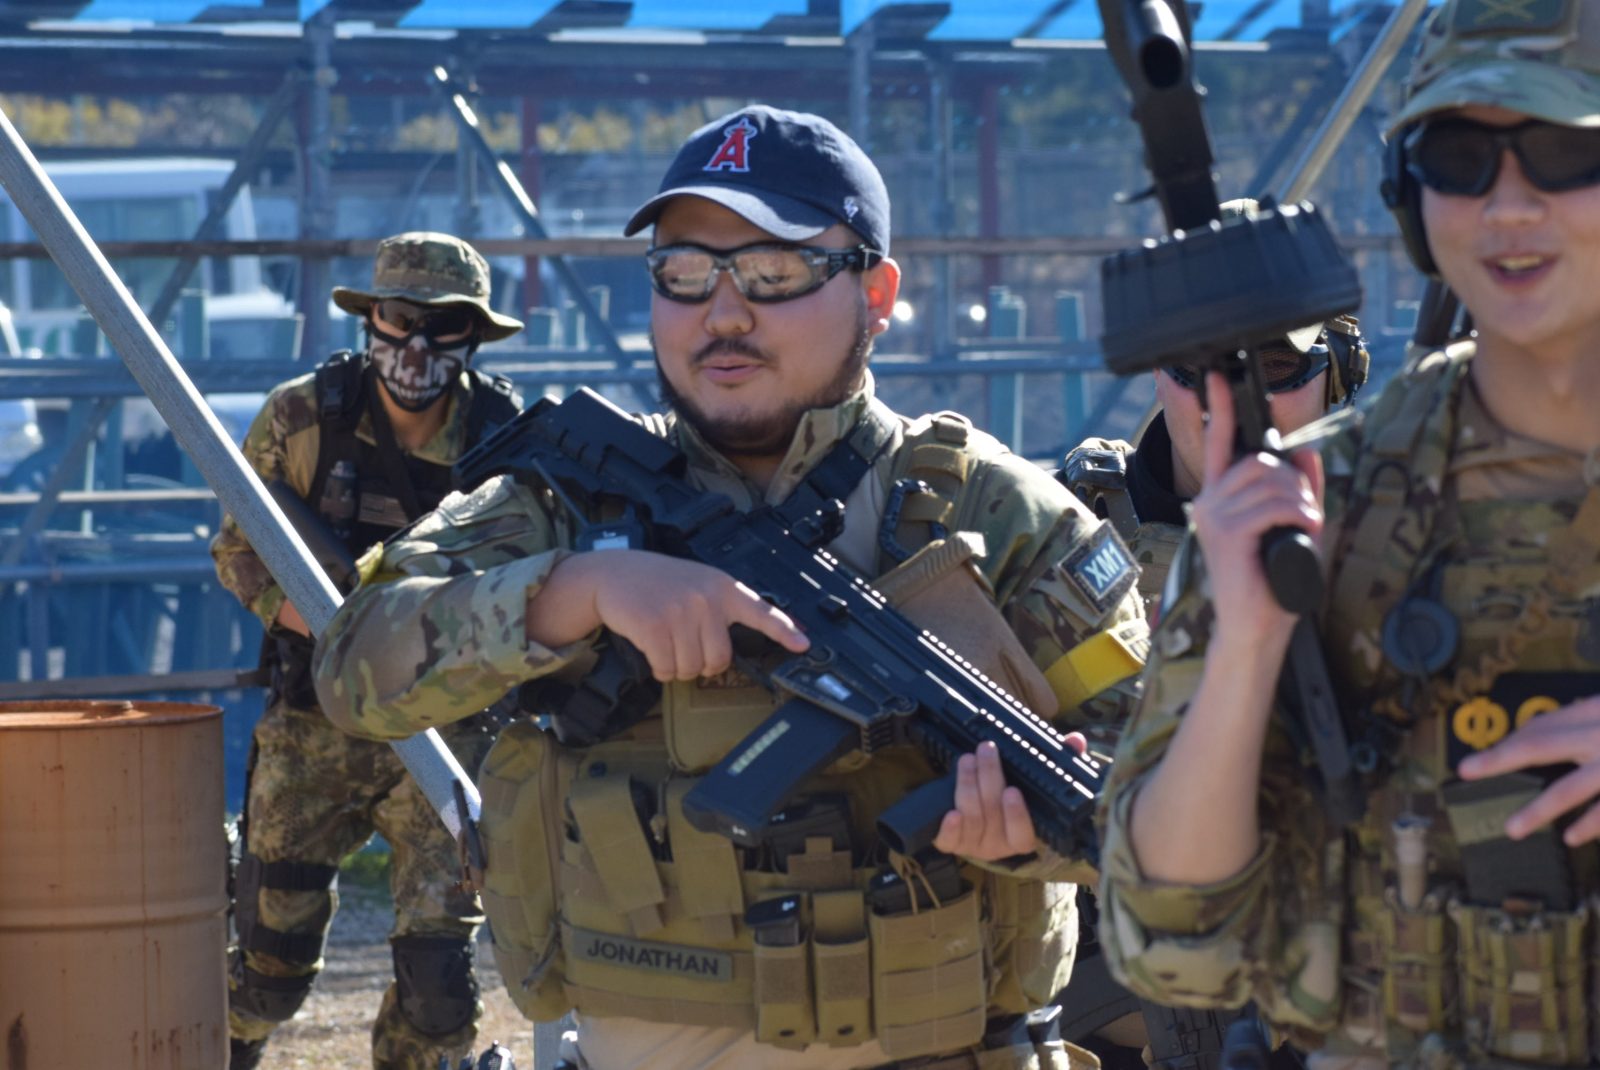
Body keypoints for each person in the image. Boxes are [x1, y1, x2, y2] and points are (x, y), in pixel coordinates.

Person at [313, 105, 1150, 1070]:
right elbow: (351, 668)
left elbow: (1163, 799)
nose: (723, 313)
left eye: (773, 271)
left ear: (877, 293)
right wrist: (579, 591)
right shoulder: (569, 502)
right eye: (683, 272)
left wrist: (1032, 836)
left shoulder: (999, 518)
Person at [1096, 1, 1600, 1068]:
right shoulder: (1313, 502)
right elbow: (1174, 946)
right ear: (1411, 198)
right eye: (1460, 158)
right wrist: (1245, 647)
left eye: (1563, 153)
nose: (1508, 205)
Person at [211, 232, 525, 1070]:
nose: (416, 348)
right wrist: (330, 624)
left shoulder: (504, 438)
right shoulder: (303, 418)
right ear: (371, 321)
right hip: (315, 724)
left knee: (439, 986)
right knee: (264, 972)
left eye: (443, 325)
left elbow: (536, 578)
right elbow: (239, 549)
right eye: (399, 320)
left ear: (473, 336)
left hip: (447, 736)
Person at [1062, 201, 1370, 615]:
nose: (1235, 401)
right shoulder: (1060, 532)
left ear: (1338, 374)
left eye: (1274, 366)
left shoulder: (1391, 539)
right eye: (1200, 367)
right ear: (1158, 370)